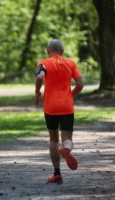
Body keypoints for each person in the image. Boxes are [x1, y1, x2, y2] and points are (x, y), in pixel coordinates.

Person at [35, 39, 84, 183]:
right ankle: (67, 149)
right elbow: (80, 84)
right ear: (62, 52)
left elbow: (39, 76)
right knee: (67, 139)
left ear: (47, 51)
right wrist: (71, 94)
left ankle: (57, 173)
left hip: (50, 108)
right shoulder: (70, 63)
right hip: (67, 106)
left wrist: (38, 91)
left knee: (53, 139)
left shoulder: (43, 63)